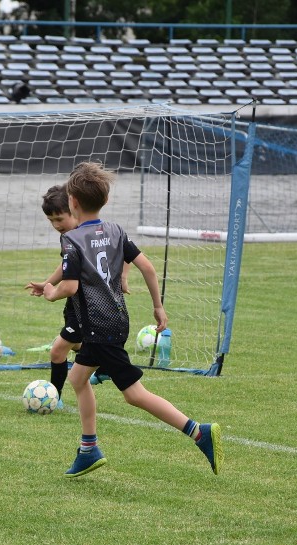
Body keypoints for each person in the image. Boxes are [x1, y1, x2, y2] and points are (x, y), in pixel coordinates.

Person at [40, 162, 222, 477]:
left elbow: (69, 287)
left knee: (134, 394)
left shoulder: (71, 240)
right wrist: (158, 307)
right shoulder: (115, 231)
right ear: (105, 201)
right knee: (78, 379)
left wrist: (50, 292)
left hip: (98, 327)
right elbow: (148, 267)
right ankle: (88, 448)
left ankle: (197, 432)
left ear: (72, 203)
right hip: (116, 320)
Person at [25, 184, 127, 399]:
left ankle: (54, 398)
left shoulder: (80, 237)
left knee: (57, 350)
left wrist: (122, 278)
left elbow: (126, 252)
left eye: (59, 219)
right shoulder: (75, 237)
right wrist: (46, 284)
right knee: (80, 346)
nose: (55, 225)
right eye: (50, 220)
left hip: (89, 307)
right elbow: (66, 268)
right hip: (77, 305)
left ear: (74, 207)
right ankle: (104, 368)